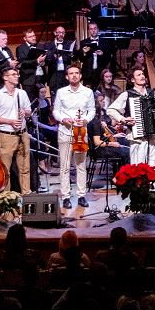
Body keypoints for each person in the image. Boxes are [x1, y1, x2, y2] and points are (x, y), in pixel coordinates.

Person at [52, 64, 96, 209]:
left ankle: (81, 195)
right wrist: (63, 119)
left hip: (81, 132)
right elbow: (56, 111)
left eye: (77, 73)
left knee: (81, 166)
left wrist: (86, 120)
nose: (74, 75)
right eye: (71, 73)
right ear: (67, 76)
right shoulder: (61, 92)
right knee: (64, 166)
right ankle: (66, 197)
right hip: (65, 132)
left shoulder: (88, 92)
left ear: (80, 75)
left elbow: (92, 110)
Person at [0, 68, 33, 194]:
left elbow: (29, 111)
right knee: (5, 170)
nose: (17, 76)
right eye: (13, 74)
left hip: (22, 134)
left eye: (17, 74)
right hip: (7, 136)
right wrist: (9, 121)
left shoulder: (22, 93)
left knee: (25, 168)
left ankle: (26, 195)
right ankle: (7, 198)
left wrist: (25, 112)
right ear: (5, 77)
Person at [107, 67, 155, 174]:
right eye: (138, 75)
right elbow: (111, 110)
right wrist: (123, 119)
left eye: (143, 74)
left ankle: (154, 183)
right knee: (137, 166)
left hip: (153, 136)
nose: (142, 76)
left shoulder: (153, 94)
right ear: (132, 80)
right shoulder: (127, 94)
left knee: (154, 165)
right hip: (136, 136)